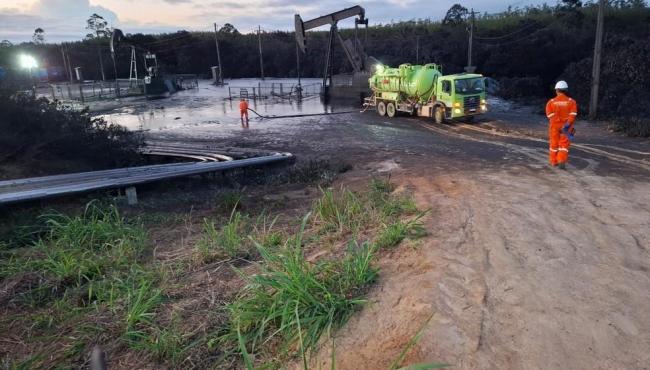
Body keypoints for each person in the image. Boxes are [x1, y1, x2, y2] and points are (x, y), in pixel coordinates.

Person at [545, 81, 578, 170]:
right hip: (567, 126)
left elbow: (549, 115)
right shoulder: (572, 102)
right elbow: (573, 115)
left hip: (554, 126)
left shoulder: (551, 102)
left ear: (556, 90)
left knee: (554, 144)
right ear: (566, 90)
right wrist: (566, 124)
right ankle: (561, 160)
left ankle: (553, 161)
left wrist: (557, 121)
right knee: (564, 144)